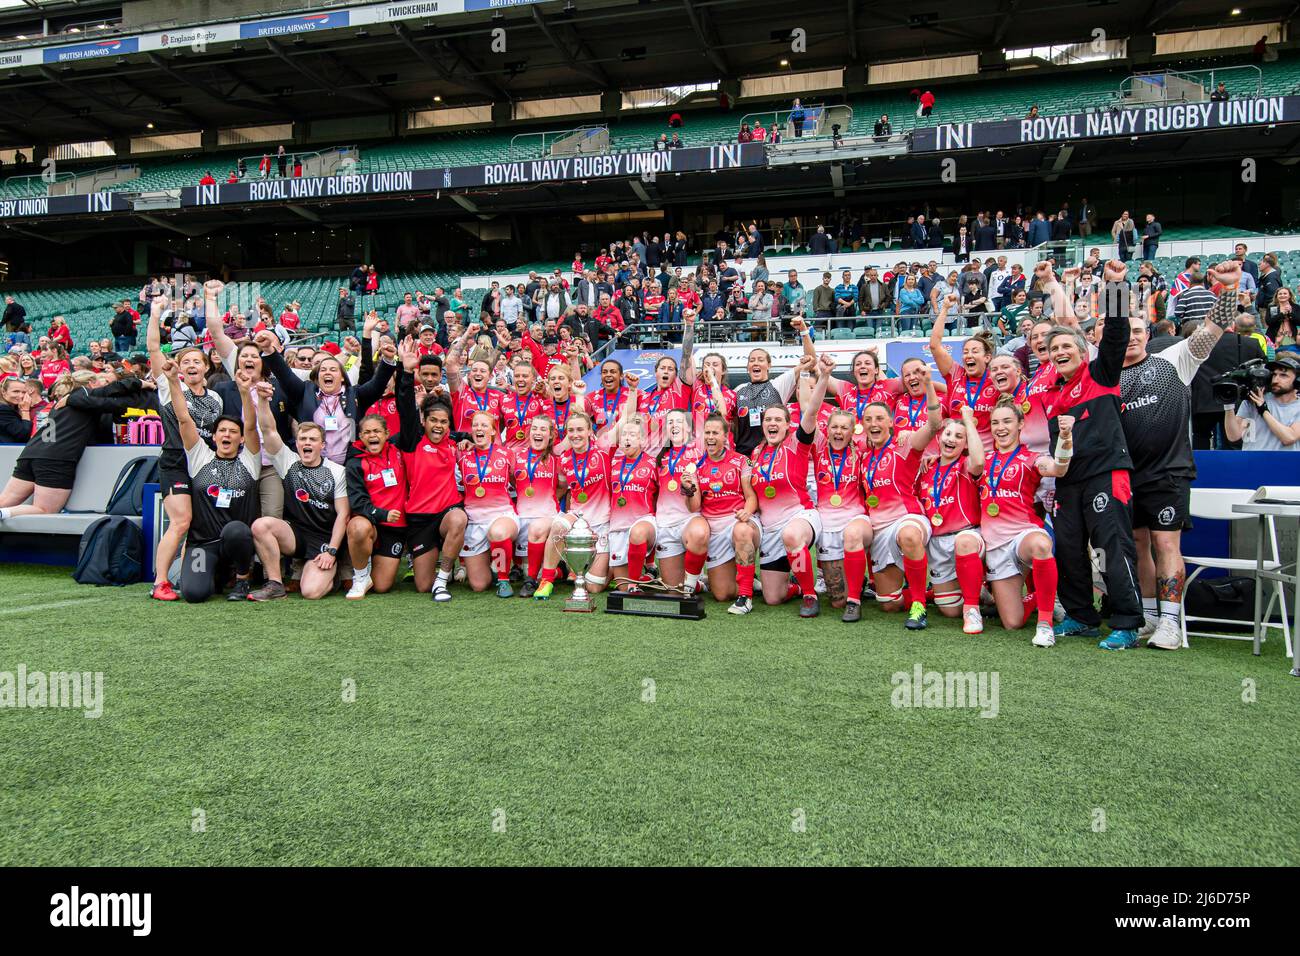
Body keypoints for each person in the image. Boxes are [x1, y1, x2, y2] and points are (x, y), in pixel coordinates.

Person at [1119, 262, 1236, 649]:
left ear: (1148, 334)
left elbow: (1212, 330)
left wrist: (1228, 289)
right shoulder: (1106, 375)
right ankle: (1150, 617)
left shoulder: (1175, 361)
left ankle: (1171, 623)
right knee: (1137, 545)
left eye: (1139, 331)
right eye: (1126, 331)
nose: (1132, 337)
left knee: (1166, 543)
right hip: (1125, 476)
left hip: (1168, 472)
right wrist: (1117, 285)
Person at [1045, 261, 1145, 649]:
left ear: (1082, 351)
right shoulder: (1051, 395)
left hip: (1107, 474)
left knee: (1110, 548)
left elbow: (1117, 334)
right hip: (1068, 481)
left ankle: (1126, 621)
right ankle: (1080, 615)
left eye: (1067, 346)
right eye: (1054, 349)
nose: (1059, 352)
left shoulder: (1101, 374)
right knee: (1068, 548)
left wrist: (1116, 286)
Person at [743, 354, 835, 618]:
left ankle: (809, 594)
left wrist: (824, 376)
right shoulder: (756, 453)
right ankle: (794, 587)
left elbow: (812, 411)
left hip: (800, 517)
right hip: (770, 527)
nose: (772, 424)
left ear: (787, 425)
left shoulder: (797, 443)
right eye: (768, 420)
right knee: (773, 598)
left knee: (792, 536)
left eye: (777, 420)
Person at [146, 296, 225, 601]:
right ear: (178, 367)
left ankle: (194, 575)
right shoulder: (169, 386)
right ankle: (160, 582)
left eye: (197, 361)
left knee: (198, 524)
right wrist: (155, 314)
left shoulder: (216, 399)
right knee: (180, 522)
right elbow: (154, 348)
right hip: (176, 461)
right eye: (186, 361)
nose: (191, 365)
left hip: (204, 465)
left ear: (206, 367)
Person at [162, 359, 260, 603]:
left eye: (232, 432)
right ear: (214, 437)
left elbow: (250, 427)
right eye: (222, 431)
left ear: (240, 440)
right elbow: (184, 419)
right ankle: (215, 576)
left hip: (235, 542)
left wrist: (245, 392)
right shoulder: (199, 457)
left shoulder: (250, 460)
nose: (227, 434)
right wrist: (174, 381)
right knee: (195, 594)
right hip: (203, 544)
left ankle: (242, 578)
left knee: (236, 531)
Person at [981, 398, 1071, 647]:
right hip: (995, 545)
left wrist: (1065, 439)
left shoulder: (1032, 457)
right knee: (1012, 622)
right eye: (995, 422)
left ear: (1020, 424)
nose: (1001, 427)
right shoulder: (983, 460)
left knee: (1041, 545)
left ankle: (1045, 625)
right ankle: (1040, 596)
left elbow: (1058, 469)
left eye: (1007, 421)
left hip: (1023, 534)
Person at [247, 385, 350, 601]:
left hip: (324, 539)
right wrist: (264, 402)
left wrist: (331, 551)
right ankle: (275, 584)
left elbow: (343, 515)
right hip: (296, 536)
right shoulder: (288, 462)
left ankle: (334, 574)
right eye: (303, 439)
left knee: (311, 593)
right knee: (260, 525)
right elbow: (268, 431)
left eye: (312, 440)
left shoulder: (336, 471)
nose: (307, 443)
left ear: (322, 445)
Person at [0, 372, 146, 522]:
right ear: (91, 383)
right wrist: (141, 384)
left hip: (31, 452)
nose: (106, 387)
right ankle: (2, 514)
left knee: (4, 501)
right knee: (45, 509)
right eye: (102, 382)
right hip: (56, 458)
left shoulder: (64, 401)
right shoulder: (85, 398)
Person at [390, 338, 469, 601]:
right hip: (420, 518)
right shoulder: (413, 441)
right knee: (421, 585)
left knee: (459, 518)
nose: (438, 426)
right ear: (424, 421)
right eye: (433, 420)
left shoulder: (452, 440)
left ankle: (443, 579)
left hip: (447, 514)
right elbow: (404, 407)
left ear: (449, 425)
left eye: (443, 422)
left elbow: (469, 434)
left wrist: (466, 436)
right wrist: (406, 371)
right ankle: (433, 575)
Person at [918, 406, 986, 633]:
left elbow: (978, 461)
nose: (952, 440)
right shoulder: (926, 468)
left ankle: (973, 607)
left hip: (966, 536)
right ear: (939, 437)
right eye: (948, 434)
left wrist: (969, 422)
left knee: (964, 543)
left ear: (966, 444)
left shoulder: (965, 465)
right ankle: (979, 590)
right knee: (949, 611)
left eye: (959, 436)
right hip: (937, 544)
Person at [536, 410, 616, 600]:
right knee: (557, 526)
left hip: (603, 522)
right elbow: (564, 486)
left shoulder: (604, 451)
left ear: (590, 431)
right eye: (570, 430)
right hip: (578, 517)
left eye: (580, 429)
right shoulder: (564, 459)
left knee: (593, 587)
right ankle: (546, 580)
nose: (575, 434)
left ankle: (612, 570)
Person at [811, 403, 873, 615]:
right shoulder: (818, 448)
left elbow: (886, 438)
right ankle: (856, 583)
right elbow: (808, 410)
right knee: (837, 601)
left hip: (855, 519)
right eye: (834, 427)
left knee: (853, 534)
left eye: (844, 428)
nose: (839, 432)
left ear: (852, 431)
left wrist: (904, 435)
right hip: (827, 524)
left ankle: (854, 601)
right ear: (826, 430)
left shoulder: (863, 449)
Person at [457, 409, 521, 596]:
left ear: (493, 431)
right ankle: (493, 566)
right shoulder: (462, 456)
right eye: (475, 425)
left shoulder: (507, 454)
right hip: (474, 522)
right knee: (478, 585)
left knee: (498, 533)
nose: (479, 428)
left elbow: (518, 482)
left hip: (502, 515)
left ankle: (503, 579)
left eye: (484, 425)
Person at [652, 409, 708, 589]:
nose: (674, 425)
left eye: (679, 422)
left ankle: (692, 582)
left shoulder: (698, 454)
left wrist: (689, 489)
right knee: (673, 590)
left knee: (699, 533)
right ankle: (699, 583)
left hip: (689, 520)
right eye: (670, 422)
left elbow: (695, 506)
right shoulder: (659, 457)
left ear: (689, 428)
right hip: (665, 525)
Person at [1224, 352, 1300, 450]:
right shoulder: (1254, 399)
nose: (1275, 380)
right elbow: (1233, 436)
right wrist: (1228, 405)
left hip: (1285, 464)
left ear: (1297, 380)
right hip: (1253, 463)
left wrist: (1263, 410)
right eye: (1274, 375)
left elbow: (1289, 438)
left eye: (1283, 375)